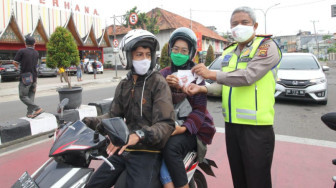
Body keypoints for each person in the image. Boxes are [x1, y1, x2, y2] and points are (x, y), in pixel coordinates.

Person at [185, 6, 282, 188]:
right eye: (234, 23)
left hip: (257, 129)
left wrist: (211, 74)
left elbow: (248, 76)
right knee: (239, 179)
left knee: (257, 181)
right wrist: (203, 89)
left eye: (244, 22)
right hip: (232, 126)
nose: (239, 26)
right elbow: (225, 86)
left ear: (255, 25)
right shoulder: (229, 52)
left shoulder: (266, 47)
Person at [83, 29, 175, 188]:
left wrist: (139, 135)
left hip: (148, 151)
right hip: (125, 148)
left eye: (148, 54)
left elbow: (166, 124)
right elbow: (113, 116)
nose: (145, 59)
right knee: (93, 184)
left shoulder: (158, 83)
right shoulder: (124, 85)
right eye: (139, 54)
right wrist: (87, 122)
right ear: (127, 57)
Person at [159, 27, 216, 188]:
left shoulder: (197, 76)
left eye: (184, 50)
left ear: (190, 53)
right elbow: (154, 102)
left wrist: (183, 128)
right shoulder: (163, 74)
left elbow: (199, 110)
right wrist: (166, 86)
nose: (179, 53)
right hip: (167, 125)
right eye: (176, 49)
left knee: (170, 148)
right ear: (170, 49)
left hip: (192, 129)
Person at [13, 36, 44, 118]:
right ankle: (29, 113)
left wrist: (18, 67)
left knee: (23, 96)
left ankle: (37, 108)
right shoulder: (36, 53)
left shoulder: (22, 51)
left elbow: (15, 62)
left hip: (25, 78)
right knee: (31, 95)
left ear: (25, 43)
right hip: (34, 78)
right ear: (34, 44)